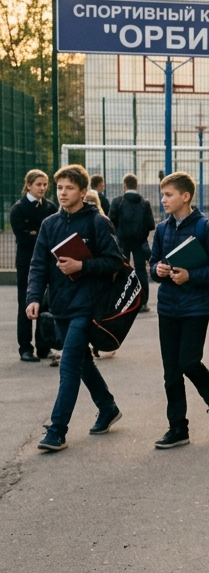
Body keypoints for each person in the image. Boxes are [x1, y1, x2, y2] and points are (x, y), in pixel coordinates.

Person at [25, 165, 125, 452]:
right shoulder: (50, 224)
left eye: (69, 188)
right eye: (59, 188)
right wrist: (34, 297)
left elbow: (115, 261)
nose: (62, 193)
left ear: (83, 192)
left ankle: (57, 430)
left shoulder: (98, 223)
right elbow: (38, 264)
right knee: (82, 362)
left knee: (68, 365)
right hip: (60, 305)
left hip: (88, 306)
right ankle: (107, 407)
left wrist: (82, 265)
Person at [149, 172, 209, 450]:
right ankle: (178, 428)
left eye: (168, 195)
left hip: (196, 307)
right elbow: (152, 263)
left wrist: (190, 276)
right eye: (162, 195)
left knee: (188, 362)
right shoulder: (162, 229)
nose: (163, 200)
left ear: (185, 196)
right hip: (167, 306)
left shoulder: (206, 228)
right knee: (171, 371)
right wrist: (157, 270)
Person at [11, 170, 58, 363]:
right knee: (26, 303)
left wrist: (35, 233)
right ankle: (25, 348)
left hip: (47, 262)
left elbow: (54, 233)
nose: (43, 188)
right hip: (27, 264)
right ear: (28, 185)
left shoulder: (50, 207)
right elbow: (23, 237)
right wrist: (40, 236)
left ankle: (43, 347)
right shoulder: (18, 209)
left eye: (45, 184)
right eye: (39, 184)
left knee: (45, 305)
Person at [108, 173, 156, 311]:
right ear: (136, 185)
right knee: (141, 270)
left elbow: (111, 221)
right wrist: (142, 233)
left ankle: (123, 301)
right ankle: (143, 301)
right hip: (139, 241)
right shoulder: (144, 203)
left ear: (124, 186)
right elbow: (150, 224)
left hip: (122, 241)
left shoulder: (118, 202)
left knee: (123, 270)